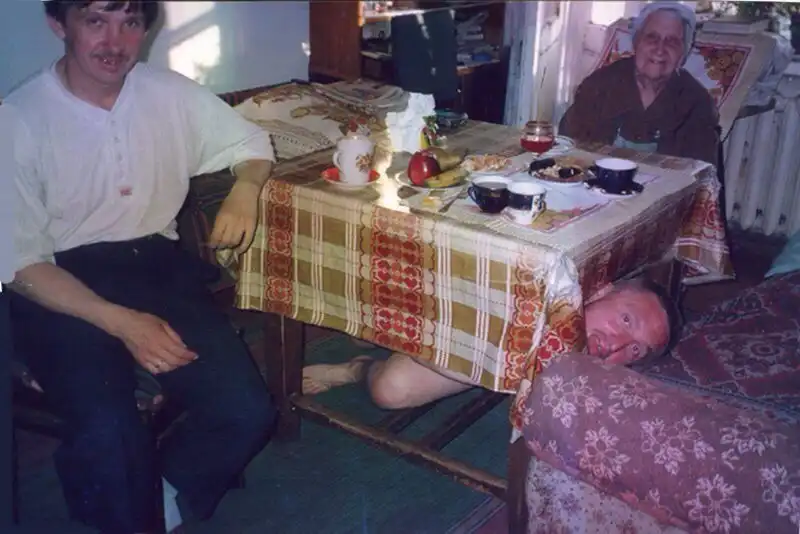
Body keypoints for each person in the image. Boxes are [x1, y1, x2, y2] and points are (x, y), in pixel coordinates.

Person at [2, 2, 277, 533]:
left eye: (130, 23)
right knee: (109, 429)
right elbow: (17, 263)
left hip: (153, 266)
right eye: (95, 21)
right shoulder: (17, 119)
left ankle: (162, 492)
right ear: (59, 25)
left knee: (246, 410)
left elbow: (250, 142)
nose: (115, 42)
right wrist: (125, 324)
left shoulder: (168, 93)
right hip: (58, 283)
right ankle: (123, 506)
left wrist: (246, 188)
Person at [303, 277, 682, 409]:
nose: (615, 345)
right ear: (603, 290)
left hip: (477, 351)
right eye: (626, 320)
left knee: (390, 390)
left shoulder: (587, 376)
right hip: (465, 309)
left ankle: (359, 368)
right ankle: (377, 339)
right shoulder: (562, 280)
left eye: (634, 350)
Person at [559, 2, 719, 165]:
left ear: (682, 53)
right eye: (652, 37)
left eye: (672, 41)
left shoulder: (696, 102)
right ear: (636, 42)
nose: (660, 49)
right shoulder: (600, 85)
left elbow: (701, 171)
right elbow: (568, 149)